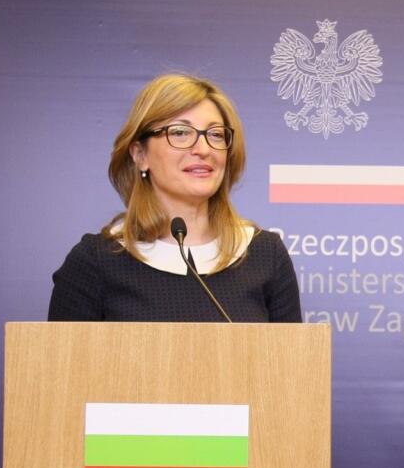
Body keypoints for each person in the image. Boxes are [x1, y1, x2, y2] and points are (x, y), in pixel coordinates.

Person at [48, 73, 301, 322]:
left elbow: (291, 352)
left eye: (215, 134)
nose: (203, 149)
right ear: (140, 155)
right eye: (180, 132)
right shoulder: (95, 262)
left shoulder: (265, 255)